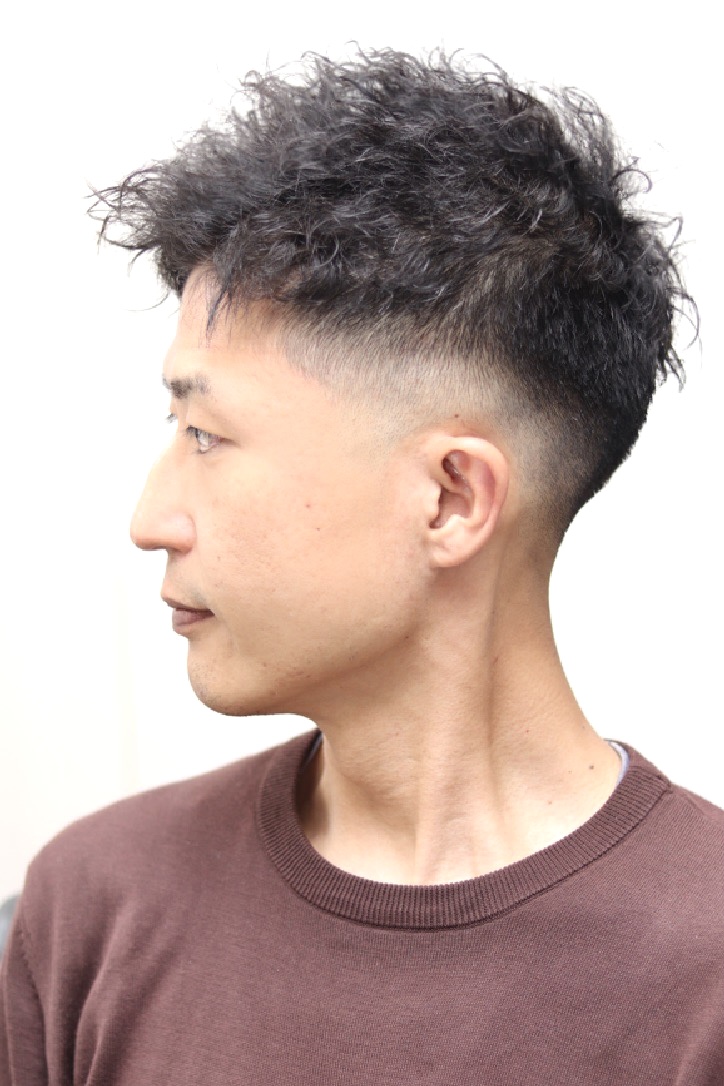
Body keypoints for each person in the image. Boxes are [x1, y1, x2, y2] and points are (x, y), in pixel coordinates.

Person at [1, 49, 721, 1085]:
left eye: (206, 435)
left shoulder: (702, 976)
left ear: (450, 498)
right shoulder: (93, 909)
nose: (151, 520)